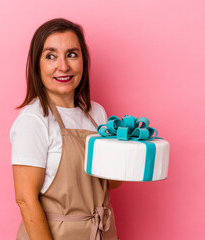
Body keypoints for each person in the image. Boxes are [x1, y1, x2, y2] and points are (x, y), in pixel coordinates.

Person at [10, 18, 122, 240]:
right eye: (51, 56)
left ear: (83, 61)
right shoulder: (34, 120)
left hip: (100, 232)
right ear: (37, 64)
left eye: (72, 54)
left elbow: (110, 184)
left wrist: (126, 151)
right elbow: (26, 199)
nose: (63, 66)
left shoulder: (96, 114)